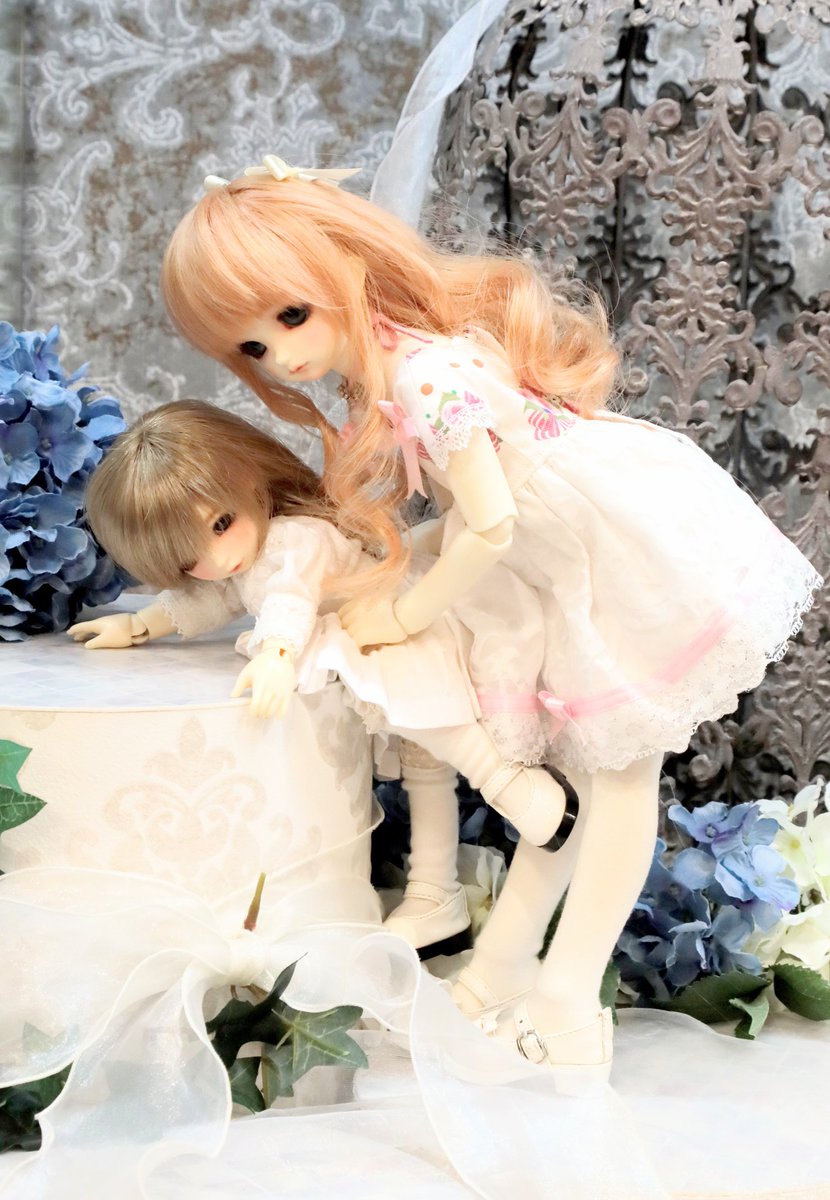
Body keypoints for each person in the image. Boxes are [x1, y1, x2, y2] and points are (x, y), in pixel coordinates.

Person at [158, 155, 822, 1088]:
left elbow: (495, 521)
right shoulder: (396, 368)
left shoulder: (424, 374)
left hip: (605, 551)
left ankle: (568, 1006)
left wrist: (406, 609)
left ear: (345, 262)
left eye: (291, 316)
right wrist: (390, 582)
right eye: (253, 349)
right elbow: (480, 517)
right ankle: (504, 968)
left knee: (618, 781)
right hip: (551, 563)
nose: (283, 357)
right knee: (568, 784)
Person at [69, 399, 577, 961]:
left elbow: (290, 597)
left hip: (397, 629)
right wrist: (139, 624)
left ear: (250, 481)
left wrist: (278, 654)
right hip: (377, 644)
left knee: (430, 726)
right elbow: (209, 600)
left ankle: (510, 783)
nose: (216, 558)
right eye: (190, 559)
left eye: (220, 524)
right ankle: (435, 893)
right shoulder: (244, 561)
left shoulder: (293, 540)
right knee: (423, 767)